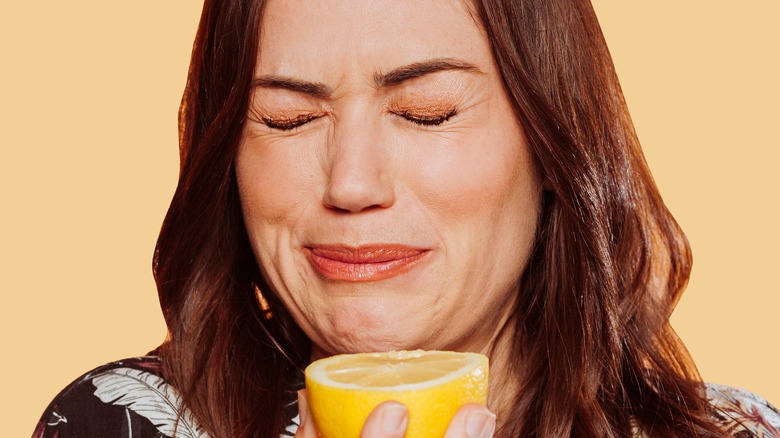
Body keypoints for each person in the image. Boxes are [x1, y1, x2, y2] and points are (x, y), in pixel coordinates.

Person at [33, 0, 780, 437]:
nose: (352, 184)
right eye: (287, 119)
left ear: (554, 147)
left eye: (428, 114)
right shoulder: (119, 425)